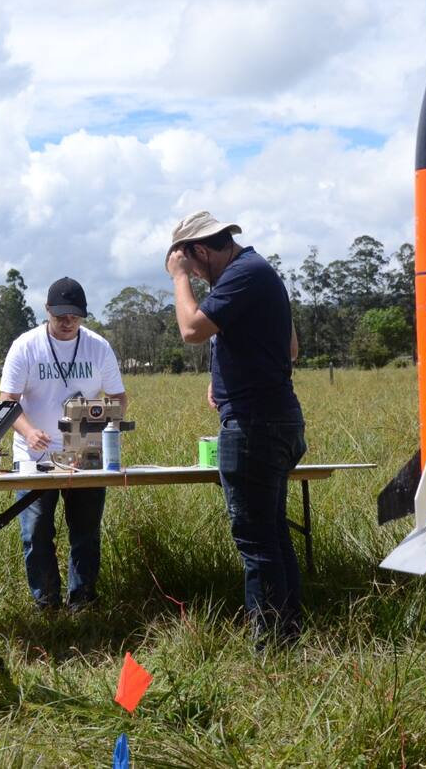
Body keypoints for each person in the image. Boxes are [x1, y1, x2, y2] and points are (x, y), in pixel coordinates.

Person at [164, 211, 306, 644]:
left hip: (254, 424)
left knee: (256, 542)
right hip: (275, 416)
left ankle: (270, 644)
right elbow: (290, 347)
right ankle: (287, 635)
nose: (194, 274)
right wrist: (225, 375)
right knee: (272, 534)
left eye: (192, 265)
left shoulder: (244, 273)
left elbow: (191, 329)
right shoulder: (258, 271)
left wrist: (177, 277)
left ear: (200, 251)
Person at [0, 277, 128, 611]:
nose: (68, 322)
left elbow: (118, 398)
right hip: (34, 456)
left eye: (75, 316)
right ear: (47, 311)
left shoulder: (98, 347)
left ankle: (82, 601)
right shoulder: (26, 346)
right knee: (36, 531)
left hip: (85, 455)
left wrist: (101, 429)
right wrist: (29, 431)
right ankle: (46, 604)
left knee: (86, 531)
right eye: (60, 316)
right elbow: (7, 401)